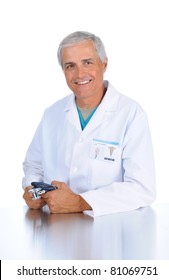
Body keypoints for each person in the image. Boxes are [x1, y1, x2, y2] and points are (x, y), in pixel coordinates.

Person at [22, 31, 156, 217]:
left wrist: (80, 202)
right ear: (64, 71)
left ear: (104, 64)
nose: (79, 73)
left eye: (88, 62)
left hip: (109, 229)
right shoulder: (52, 114)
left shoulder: (131, 114)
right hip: (57, 231)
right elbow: (33, 166)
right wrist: (32, 189)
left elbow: (142, 188)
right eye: (70, 66)